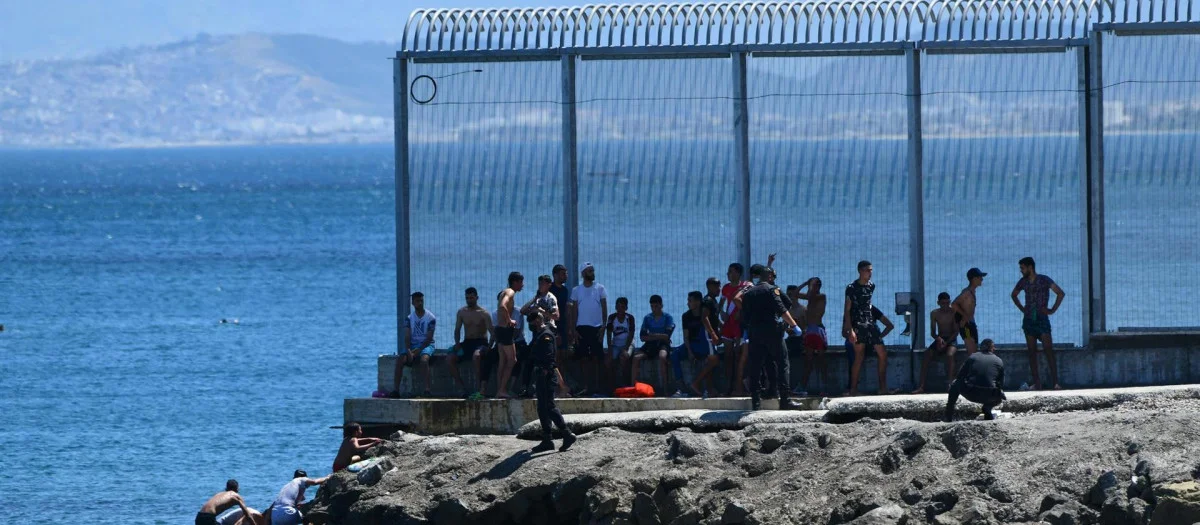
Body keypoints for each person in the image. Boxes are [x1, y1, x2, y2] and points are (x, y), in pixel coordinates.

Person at [734, 265, 805, 410]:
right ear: (770, 277)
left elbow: (745, 315)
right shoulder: (772, 290)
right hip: (773, 332)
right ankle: (784, 400)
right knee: (783, 364)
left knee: (755, 366)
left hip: (755, 333)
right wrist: (793, 325)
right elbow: (783, 307)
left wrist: (748, 330)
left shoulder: (749, 293)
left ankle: (756, 401)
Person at [1011, 257, 1066, 390]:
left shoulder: (1044, 280)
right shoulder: (1023, 282)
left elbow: (1060, 293)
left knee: (1048, 349)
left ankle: (1055, 382)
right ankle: (1037, 383)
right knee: (1031, 352)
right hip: (1029, 319)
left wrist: (1052, 310)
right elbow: (1014, 295)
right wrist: (1023, 309)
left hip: (1042, 318)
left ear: (1030, 267)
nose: (1021, 271)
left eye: (1023, 268)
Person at [527, 311, 577, 453]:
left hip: (546, 375)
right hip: (541, 373)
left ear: (538, 320)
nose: (530, 324)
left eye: (531, 320)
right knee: (542, 407)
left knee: (549, 405)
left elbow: (549, 357)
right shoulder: (539, 335)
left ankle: (566, 433)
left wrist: (545, 371)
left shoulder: (546, 335)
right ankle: (547, 439)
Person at [844, 260, 889, 396]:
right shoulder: (852, 287)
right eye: (867, 270)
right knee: (859, 356)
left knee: (882, 353)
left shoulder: (871, 286)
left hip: (870, 323)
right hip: (858, 324)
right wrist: (849, 329)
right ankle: (853, 389)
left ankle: (882, 387)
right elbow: (847, 310)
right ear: (860, 271)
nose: (870, 273)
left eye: (871, 270)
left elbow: (868, 303)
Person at [569, 262, 608, 396]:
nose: (592, 273)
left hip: (596, 327)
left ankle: (598, 387)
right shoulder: (576, 290)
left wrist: (604, 326)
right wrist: (574, 329)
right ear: (584, 273)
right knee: (583, 358)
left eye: (593, 270)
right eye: (590, 271)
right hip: (582, 328)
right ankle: (585, 386)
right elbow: (574, 311)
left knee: (597, 358)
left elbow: (604, 308)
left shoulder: (600, 288)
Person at [945, 339, 1006, 421]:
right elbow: (1001, 384)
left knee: (955, 384)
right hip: (990, 396)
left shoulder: (973, 357)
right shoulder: (999, 361)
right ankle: (987, 408)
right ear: (992, 349)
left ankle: (948, 415)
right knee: (999, 394)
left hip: (972, 393)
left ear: (980, 348)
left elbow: (960, 376)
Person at [518, 275, 559, 398]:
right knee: (530, 360)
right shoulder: (537, 298)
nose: (540, 286)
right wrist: (534, 299)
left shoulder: (550, 298)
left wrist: (541, 311)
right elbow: (523, 311)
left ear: (548, 284)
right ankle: (526, 387)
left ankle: (559, 387)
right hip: (536, 333)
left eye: (543, 284)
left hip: (547, 331)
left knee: (546, 362)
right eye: (539, 283)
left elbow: (556, 316)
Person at [448, 287, 492, 399]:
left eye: (471, 298)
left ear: (477, 298)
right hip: (467, 342)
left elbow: (493, 332)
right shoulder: (462, 312)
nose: (469, 300)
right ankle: (461, 389)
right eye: (467, 298)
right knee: (450, 358)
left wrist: (489, 347)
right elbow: (457, 329)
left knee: (476, 356)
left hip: (481, 342)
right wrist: (457, 343)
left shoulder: (484, 313)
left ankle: (479, 389)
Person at [913, 292, 961, 394]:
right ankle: (921, 386)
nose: (945, 306)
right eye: (943, 303)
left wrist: (947, 343)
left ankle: (950, 384)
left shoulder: (954, 312)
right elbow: (932, 332)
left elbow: (956, 331)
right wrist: (938, 339)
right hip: (940, 338)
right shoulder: (934, 313)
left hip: (951, 339)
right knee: (927, 355)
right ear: (938, 303)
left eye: (947, 303)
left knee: (950, 354)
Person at [392, 292, 435, 398]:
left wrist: (419, 350)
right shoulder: (409, 318)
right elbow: (407, 336)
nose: (420, 303)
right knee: (400, 360)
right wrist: (408, 351)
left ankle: (427, 390)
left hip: (426, 345)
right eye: (417, 301)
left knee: (424, 360)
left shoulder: (431, 318)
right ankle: (396, 390)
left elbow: (429, 338)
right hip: (412, 344)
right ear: (413, 303)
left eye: (421, 301)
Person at [680, 291, 722, 397]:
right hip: (707, 338)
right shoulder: (707, 303)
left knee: (710, 361)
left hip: (706, 339)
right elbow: (705, 319)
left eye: (690, 301)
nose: (687, 303)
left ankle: (709, 389)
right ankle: (696, 382)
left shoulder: (711, 302)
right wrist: (713, 334)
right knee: (714, 360)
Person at [718, 263, 751, 396]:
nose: (729, 274)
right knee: (728, 356)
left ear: (738, 273)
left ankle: (739, 386)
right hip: (728, 326)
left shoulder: (745, 287)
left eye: (731, 272)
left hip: (739, 325)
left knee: (739, 355)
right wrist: (722, 313)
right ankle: (729, 386)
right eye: (728, 272)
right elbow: (721, 304)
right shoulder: (725, 288)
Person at [794, 277, 829, 396]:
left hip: (818, 330)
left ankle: (825, 387)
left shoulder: (821, 296)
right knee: (808, 361)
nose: (812, 288)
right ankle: (803, 386)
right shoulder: (811, 298)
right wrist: (806, 282)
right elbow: (795, 294)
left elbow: (806, 296)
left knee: (821, 360)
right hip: (809, 330)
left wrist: (809, 286)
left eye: (814, 285)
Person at [635, 295, 675, 396]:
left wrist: (651, 335)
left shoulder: (668, 318)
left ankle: (665, 388)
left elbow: (667, 336)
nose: (654, 309)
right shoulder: (647, 318)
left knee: (662, 357)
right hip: (650, 345)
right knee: (636, 358)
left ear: (661, 305)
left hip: (662, 345)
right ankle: (634, 387)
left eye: (656, 306)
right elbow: (642, 337)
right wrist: (659, 336)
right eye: (652, 306)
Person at [494, 272, 525, 399]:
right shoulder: (510, 292)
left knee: (503, 361)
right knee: (512, 360)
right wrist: (510, 320)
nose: (523, 285)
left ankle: (499, 390)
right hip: (506, 330)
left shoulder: (504, 292)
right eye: (521, 282)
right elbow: (502, 306)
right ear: (515, 282)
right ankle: (502, 390)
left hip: (499, 330)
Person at [953, 268, 986, 355]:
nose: (982, 279)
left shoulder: (972, 291)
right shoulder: (967, 293)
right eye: (980, 277)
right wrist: (964, 316)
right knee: (972, 353)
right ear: (974, 279)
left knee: (975, 351)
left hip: (971, 323)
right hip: (966, 326)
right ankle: (970, 368)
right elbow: (954, 304)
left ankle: (972, 368)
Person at [549, 264, 572, 386]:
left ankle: (561, 384)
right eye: (563, 273)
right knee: (555, 356)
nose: (566, 276)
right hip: (553, 327)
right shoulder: (550, 289)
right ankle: (555, 385)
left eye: (566, 273)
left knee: (563, 355)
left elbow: (566, 311)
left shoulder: (565, 290)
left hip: (563, 326)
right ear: (555, 275)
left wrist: (569, 329)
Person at [606, 297, 635, 387]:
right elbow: (609, 334)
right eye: (618, 307)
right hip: (615, 344)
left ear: (626, 308)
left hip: (628, 343)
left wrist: (625, 349)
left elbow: (631, 334)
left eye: (622, 307)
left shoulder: (629, 318)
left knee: (624, 357)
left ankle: (625, 384)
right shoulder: (612, 317)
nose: (620, 310)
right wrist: (610, 350)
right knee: (608, 361)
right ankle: (611, 386)